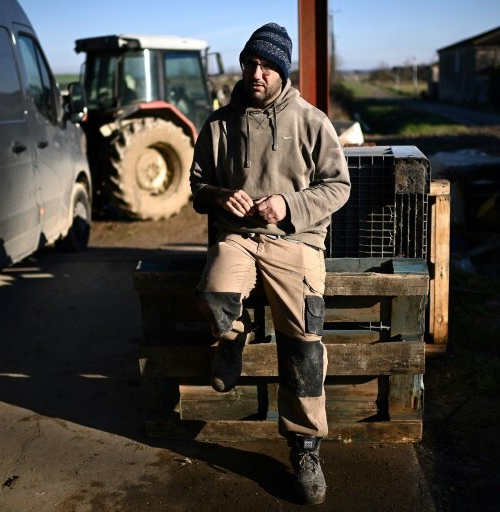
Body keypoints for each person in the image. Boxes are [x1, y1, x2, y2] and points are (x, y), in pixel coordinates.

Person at [189, 22, 350, 505]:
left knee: (303, 344)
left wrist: (288, 205)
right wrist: (221, 196)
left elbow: (338, 187)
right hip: (238, 239)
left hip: (294, 242)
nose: (255, 74)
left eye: (266, 66)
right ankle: (230, 339)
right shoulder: (219, 123)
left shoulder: (311, 121)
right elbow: (197, 187)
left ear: (281, 70)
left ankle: (304, 447)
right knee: (214, 299)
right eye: (249, 64)